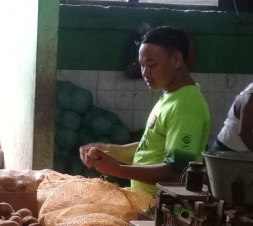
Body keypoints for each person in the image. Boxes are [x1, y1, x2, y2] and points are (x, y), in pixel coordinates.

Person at [80, 27, 211, 196]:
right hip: (146, 207)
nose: (145, 73)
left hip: (164, 213)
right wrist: (109, 151)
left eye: (152, 65)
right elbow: (149, 150)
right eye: (142, 65)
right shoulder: (171, 97)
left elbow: (177, 174)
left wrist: (118, 170)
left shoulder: (186, 107)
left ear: (177, 59)